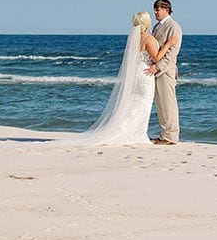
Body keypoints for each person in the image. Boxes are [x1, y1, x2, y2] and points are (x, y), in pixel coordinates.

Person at [60, 12, 158, 145]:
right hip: (145, 74)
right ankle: (136, 133)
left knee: (133, 104)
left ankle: (127, 130)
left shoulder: (134, 39)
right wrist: (169, 44)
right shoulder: (148, 39)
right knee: (143, 105)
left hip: (135, 74)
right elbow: (156, 58)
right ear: (147, 23)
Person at [143, 0, 182, 145]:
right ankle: (163, 134)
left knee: (168, 104)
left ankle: (171, 137)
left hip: (166, 71)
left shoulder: (174, 27)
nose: (155, 12)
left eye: (158, 9)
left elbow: (172, 52)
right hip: (156, 70)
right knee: (160, 105)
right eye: (155, 9)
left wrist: (158, 67)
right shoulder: (156, 26)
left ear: (166, 9)